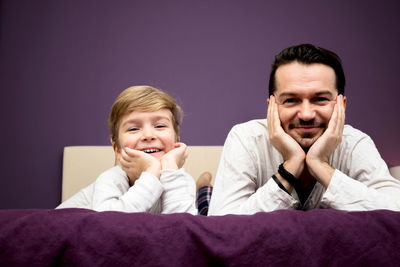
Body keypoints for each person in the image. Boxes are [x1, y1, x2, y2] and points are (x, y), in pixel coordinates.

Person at [208, 44, 400, 215]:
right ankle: (204, 186)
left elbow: (395, 211)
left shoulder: (356, 143)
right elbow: (222, 225)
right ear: (271, 107)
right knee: (204, 202)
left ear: (341, 105)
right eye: (291, 100)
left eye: (321, 99)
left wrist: (320, 165)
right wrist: (290, 168)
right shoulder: (246, 138)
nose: (306, 114)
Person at [57, 85, 209, 214]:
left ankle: (203, 186)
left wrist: (170, 167)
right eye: (134, 128)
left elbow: (182, 230)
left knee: (206, 210)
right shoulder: (112, 179)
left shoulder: (178, 179)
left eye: (160, 126)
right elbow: (109, 224)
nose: (148, 135)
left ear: (176, 141)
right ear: (117, 148)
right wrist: (151, 173)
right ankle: (202, 186)